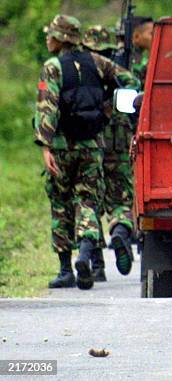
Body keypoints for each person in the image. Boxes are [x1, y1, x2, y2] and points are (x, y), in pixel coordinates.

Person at [35, 15, 137, 290]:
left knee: (60, 205)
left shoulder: (52, 67)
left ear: (60, 39)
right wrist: (106, 109)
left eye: (51, 34)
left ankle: (66, 269)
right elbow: (128, 79)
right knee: (88, 202)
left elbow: (48, 108)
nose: (48, 39)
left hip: (61, 146)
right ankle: (86, 254)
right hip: (92, 145)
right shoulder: (96, 62)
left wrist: (45, 145)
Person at [83, 25, 141, 279]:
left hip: (91, 139)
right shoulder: (112, 67)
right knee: (121, 199)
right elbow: (134, 85)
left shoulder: (80, 67)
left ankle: (97, 265)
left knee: (89, 200)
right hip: (118, 137)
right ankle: (119, 232)